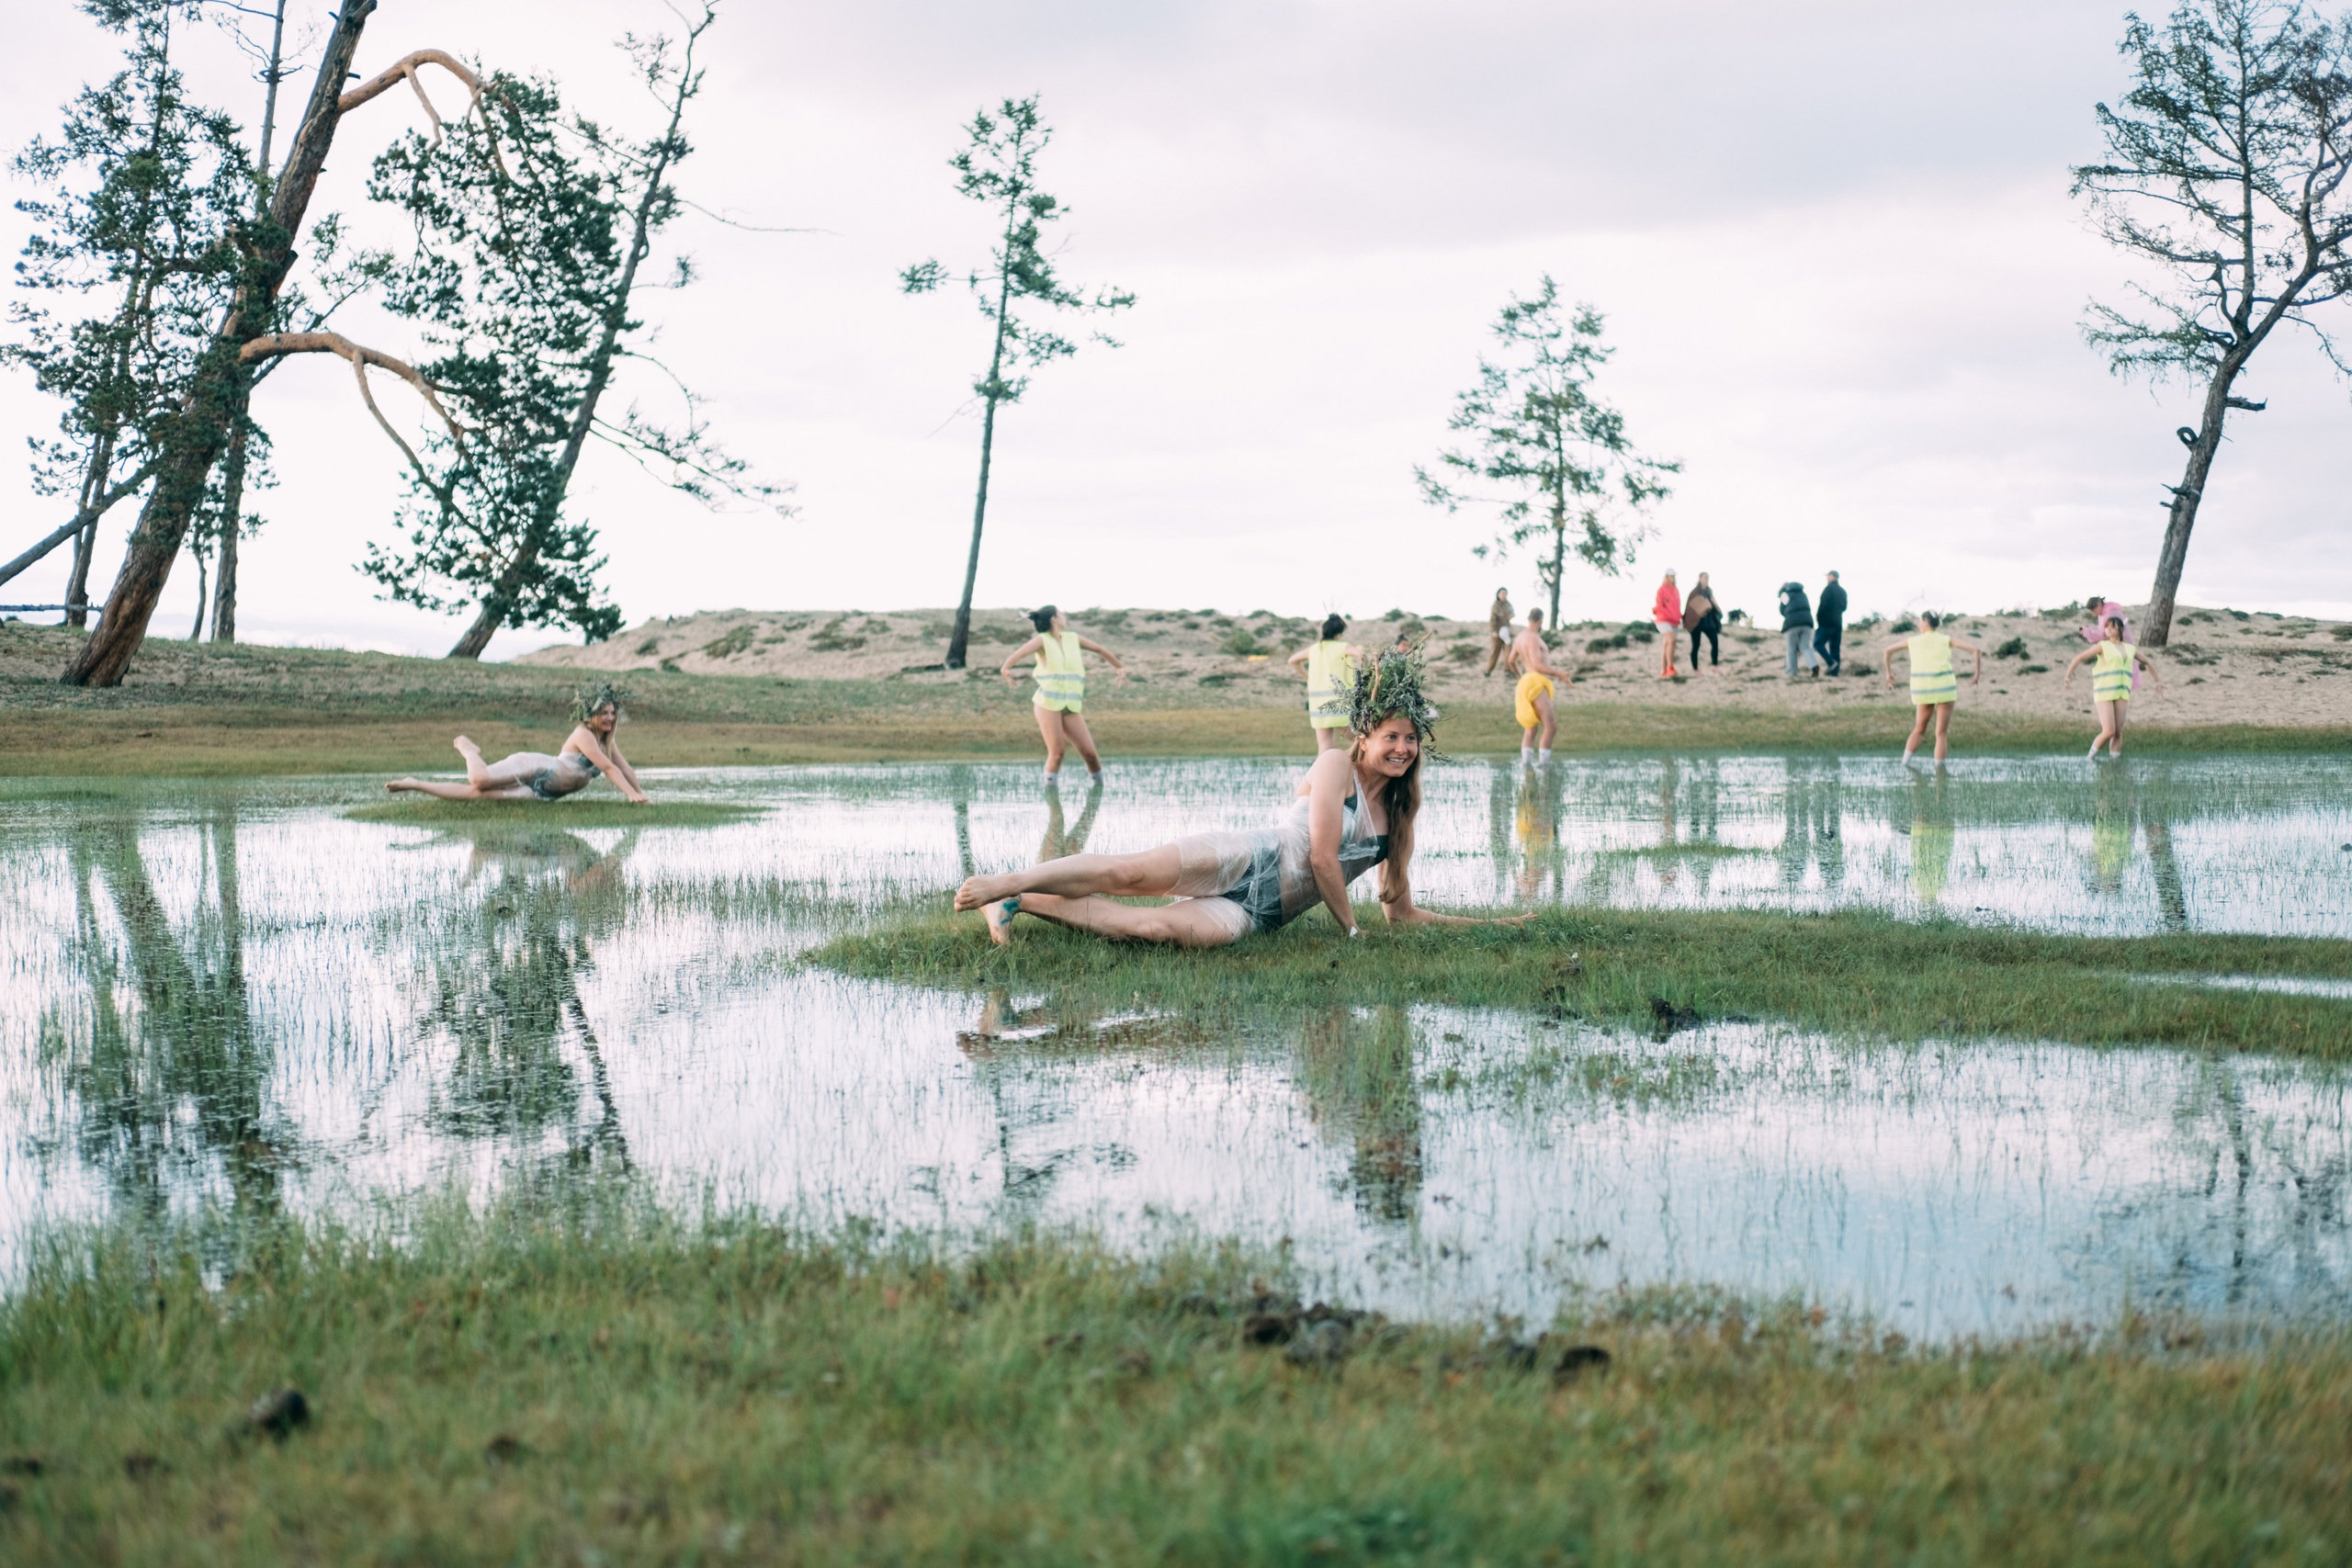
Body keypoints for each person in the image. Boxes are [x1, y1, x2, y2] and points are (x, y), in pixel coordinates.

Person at [952, 647, 1531, 946]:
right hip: (1249, 854)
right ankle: (1008, 880)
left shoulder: (1401, 817)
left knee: (1154, 931)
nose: (1401, 748)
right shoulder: (1335, 764)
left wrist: (1489, 926)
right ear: (1366, 736)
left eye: (1409, 739)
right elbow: (1323, 857)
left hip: (1265, 913)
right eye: (1390, 737)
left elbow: (1400, 913)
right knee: (1131, 874)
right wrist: (1350, 931)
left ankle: (1019, 903)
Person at [386, 684, 650, 804]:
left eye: (613, 713)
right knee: (479, 780)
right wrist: (630, 795)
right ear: (589, 714)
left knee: (478, 797)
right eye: (604, 712)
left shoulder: (607, 742)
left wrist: (641, 796)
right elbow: (609, 769)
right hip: (538, 768)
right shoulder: (583, 734)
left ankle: (416, 784)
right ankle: (468, 748)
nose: (610, 718)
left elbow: (625, 770)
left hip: (543, 794)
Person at [1001, 604, 1127, 785]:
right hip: (1047, 705)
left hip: (1070, 706)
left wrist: (1120, 667)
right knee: (1057, 753)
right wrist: (1005, 669)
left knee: (1091, 755)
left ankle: (1098, 793)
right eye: (1061, 614)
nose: (1064, 616)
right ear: (1054, 619)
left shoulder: (1072, 638)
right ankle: (1052, 804)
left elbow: (1099, 649)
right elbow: (1018, 654)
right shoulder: (1042, 640)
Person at [1882, 611, 1984, 763]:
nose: (1918, 624)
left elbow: (1887, 650)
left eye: (1920, 621)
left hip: (1923, 688)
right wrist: (1976, 675)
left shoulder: (1913, 640)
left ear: (1925, 622)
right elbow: (1975, 650)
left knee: (1919, 728)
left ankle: (1904, 764)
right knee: (1941, 734)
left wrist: (1889, 675)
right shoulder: (1946, 639)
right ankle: (1940, 772)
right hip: (1945, 687)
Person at [2064, 615, 2162, 758]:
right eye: (2106, 626)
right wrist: (2067, 678)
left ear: (2120, 628)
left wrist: (2157, 681)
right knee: (2109, 731)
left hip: (2122, 692)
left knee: (2117, 733)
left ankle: (2114, 764)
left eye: (2112, 626)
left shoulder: (2130, 648)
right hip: (2104, 692)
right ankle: (2089, 759)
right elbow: (2078, 658)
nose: (2109, 629)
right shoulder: (2102, 646)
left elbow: (2146, 662)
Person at [1286, 614, 1362, 752]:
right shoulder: (1342, 647)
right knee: (1361, 741)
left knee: (1325, 748)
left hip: (1318, 706)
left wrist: (1307, 677)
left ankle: (1321, 774)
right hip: (1339, 704)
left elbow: (1292, 660)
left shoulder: (1314, 649)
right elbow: (1361, 655)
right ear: (1339, 634)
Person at [1506, 607, 1569, 767]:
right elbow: (1536, 665)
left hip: (1526, 682)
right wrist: (1559, 674)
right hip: (1535, 682)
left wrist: (1521, 676)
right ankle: (1544, 766)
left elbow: (1511, 660)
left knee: (1531, 728)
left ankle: (1527, 767)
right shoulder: (1533, 638)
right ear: (1540, 620)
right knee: (1551, 726)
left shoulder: (1519, 638)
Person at [1779, 581, 1824, 678]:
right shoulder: (1803, 594)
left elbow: (1782, 610)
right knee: (1805, 647)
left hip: (1792, 624)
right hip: (1807, 623)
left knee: (1791, 649)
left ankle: (1792, 673)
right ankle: (1813, 665)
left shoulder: (1785, 594)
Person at [1682, 572, 1721, 673]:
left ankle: (1714, 666)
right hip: (1697, 622)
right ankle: (1695, 669)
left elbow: (1714, 605)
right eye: (1704, 578)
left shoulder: (1709, 592)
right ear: (1700, 579)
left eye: (1707, 578)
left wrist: (1717, 609)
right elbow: (1690, 609)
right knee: (1696, 645)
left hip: (1708, 621)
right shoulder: (1694, 592)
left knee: (1715, 642)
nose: (1706, 580)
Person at [1815, 570, 1848, 675]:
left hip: (1826, 622)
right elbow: (1844, 607)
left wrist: (1819, 618)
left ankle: (1830, 662)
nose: (1827, 578)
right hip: (1838, 623)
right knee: (1835, 648)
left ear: (1832, 577)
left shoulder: (1828, 589)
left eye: (1828, 576)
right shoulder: (1842, 591)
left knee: (1817, 644)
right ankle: (1834, 673)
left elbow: (1822, 605)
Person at [1651, 570, 1682, 678]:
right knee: (1672, 640)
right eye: (1671, 576)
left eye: (1674, 575)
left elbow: (1677, 606)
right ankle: (1670, 667)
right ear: (1666, 577)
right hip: (1663, 620)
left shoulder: (1676, 590)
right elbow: (1659, 605)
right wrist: (1663, 610)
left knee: (1666, 645)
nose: (1673, 577)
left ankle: (1663, 671)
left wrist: (1679, 616)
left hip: (1674, 621)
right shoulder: (1661, 589)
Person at [1483, 588, 1516, 675]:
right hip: (1497, 631)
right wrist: (1493, 631)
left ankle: (1507, 671)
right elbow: (1492, 619)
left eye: (1505, 593)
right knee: (1494, 651)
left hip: (1507, 630)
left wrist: (1510, 616)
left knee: (1508, 652)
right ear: (1498, 595)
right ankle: (1488, 670)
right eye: (1502, 593)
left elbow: (1513, 613)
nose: (1504, 595)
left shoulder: (1509, 605)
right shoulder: (1495, 605)